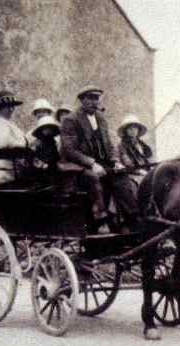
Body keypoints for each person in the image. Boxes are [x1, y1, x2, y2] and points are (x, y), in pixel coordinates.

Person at [61, 84, 139, 234]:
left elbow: (109, 144)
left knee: (121, 176)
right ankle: (101, 221)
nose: (94, 102)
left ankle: (132, 218)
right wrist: (92, 163)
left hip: (102, 165)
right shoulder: (70, 119)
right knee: (93, 178)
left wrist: (116, 161)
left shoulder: (101, 118)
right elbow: (69, 150)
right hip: (76, 167)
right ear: (82, 100)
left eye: (96, 98)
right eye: (90, 98)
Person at [0, 90, 28, 186]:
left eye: (12, 106)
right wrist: (22, 145)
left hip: (12, 168)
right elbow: (4, 143)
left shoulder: (7, 122)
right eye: (7, 106)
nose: (11, 109)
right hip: (4, 172)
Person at [117, 114, 154, 183]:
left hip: (146, 171)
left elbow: (149, 159)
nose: (133, 130)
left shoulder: (142, 144)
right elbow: (127, 163)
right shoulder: (122, 145)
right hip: (132, 174)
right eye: (130, 128)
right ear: (126, 131)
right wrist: (139, 171)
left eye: (135, 128)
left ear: (138, 130)